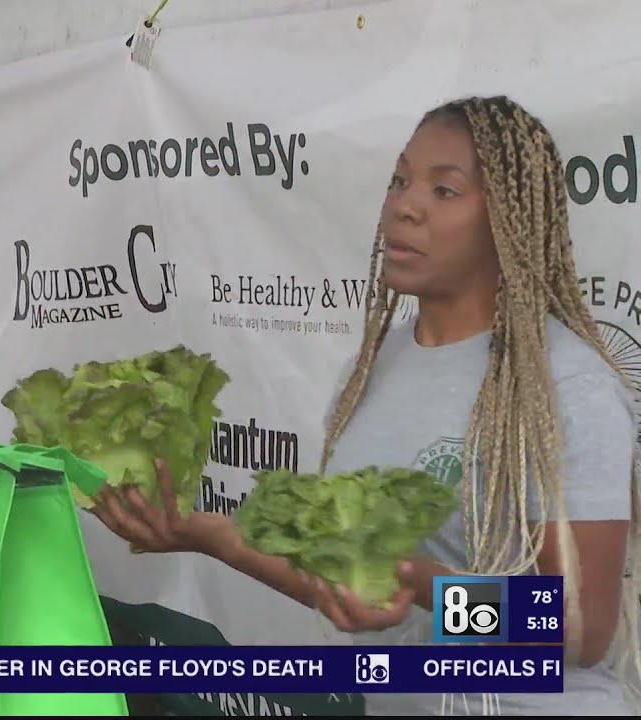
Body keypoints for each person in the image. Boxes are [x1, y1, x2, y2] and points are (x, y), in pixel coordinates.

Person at [90, 95, 641, 716]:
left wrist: (417, 583)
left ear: (508, 222)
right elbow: (348, 582)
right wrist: (214, 537)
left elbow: (578, 628)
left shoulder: (567, 387)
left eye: (445, 191)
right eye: (402, 180)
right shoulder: (371, 375)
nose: (406, 205)